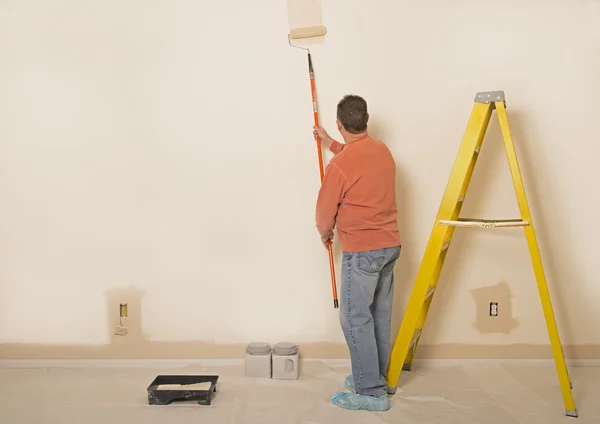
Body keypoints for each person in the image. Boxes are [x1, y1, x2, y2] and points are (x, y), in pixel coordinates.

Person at [313, 94, 401, 412]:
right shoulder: (381, 150)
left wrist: (326, 235)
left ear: (340, 124)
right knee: (377, 315)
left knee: (354, 318)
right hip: (390, 247)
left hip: (363, 252)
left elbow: (324, 215)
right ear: (367, 119)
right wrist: (329, 143)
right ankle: (378, 377)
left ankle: (371, 392)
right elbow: (356, 162)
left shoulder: (340, 166)